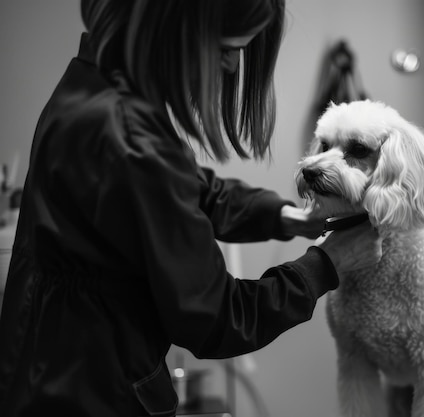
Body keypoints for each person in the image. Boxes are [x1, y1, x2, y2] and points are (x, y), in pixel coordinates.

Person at [0, 1, 383, 416]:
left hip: (39, 371)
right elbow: (219, 318)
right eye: (226, 49)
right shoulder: (132, 140)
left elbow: (185, 189)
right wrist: (323, 266)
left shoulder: (90, 89)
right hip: (92, 398)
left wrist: (280, 216)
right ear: (178, 31)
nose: (234, 68)